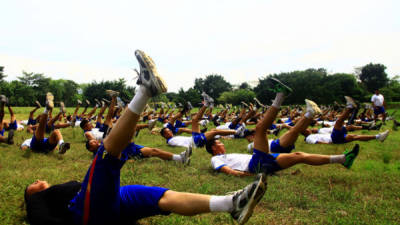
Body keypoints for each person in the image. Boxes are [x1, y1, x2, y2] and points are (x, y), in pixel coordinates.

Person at [24, 50, 266, 225]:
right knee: (106, 154)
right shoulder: (37, 201)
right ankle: (144, 89)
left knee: (164, 197)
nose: (37, 180)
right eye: (32, 184)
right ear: (30, 193)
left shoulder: (51, 191)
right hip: (84, 211)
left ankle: (231, 205)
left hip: (112, 197)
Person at [205, 78, 360, 176]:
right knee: (260, 128)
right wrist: (252, 176)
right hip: (255, 165)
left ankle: (342, 159)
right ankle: (280, 95)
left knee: (299, 156)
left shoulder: (225, 154)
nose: (222, 143)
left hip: (262, 161)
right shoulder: (216, 159)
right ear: (213, 148)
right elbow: (228, 171)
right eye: (219, 142)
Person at [304, 96, 389, 144]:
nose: (309, 129)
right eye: (306, 130)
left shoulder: (316, 132)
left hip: (335, 137)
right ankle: (350, 107)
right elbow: (318, 143)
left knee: (355, 136)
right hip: (333, 139)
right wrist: (331, 143)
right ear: (304, 133)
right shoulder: (309, 138)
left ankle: (378, 137)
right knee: (339, 122)